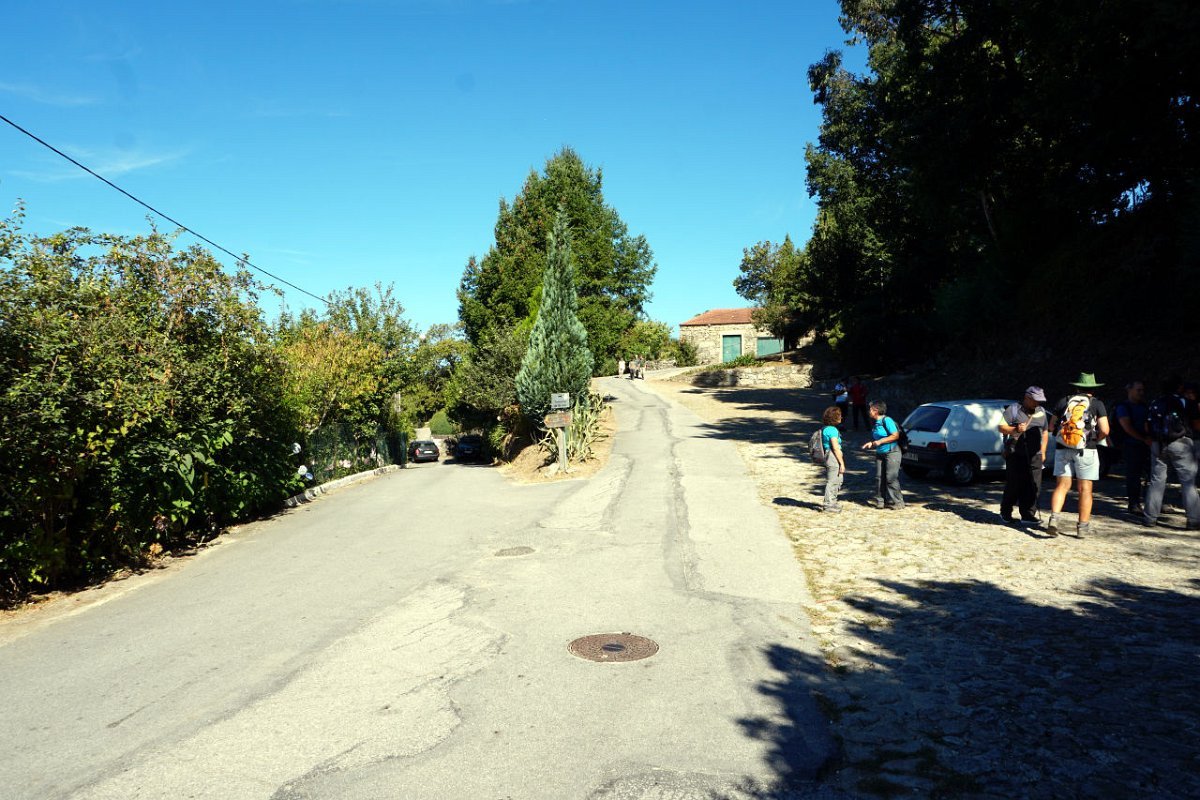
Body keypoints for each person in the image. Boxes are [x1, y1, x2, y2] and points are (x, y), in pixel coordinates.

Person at [1045, 373, 1110, 537]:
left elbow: (1051, 427)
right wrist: (1095, 439)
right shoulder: (1097, 404)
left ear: (1076, 388)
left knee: (1061, 486)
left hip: (1063, 448)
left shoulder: (1063, 401)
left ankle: (1054, 519)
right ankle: (1082, 528)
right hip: (1086, 450)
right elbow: (1105, 430)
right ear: (1093, 389)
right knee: (1085, 489)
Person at [1143, 376, 1200, 530]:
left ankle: (1150, 518)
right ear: (1179, 387)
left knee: (1156, 481)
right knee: (1188, 482)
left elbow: (1147, 425)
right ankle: (1194, 520)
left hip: (1157, 444)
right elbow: (1196, 424)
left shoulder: (1155, 402)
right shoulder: (1185, 402)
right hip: (1181, 444)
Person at [998, 386, 1050, 523]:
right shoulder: (1013, 410)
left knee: (1033, 486)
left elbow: (1045, 432)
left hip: (1036, 455)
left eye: (1039, 400)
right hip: (1015, 454)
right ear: (1027, 397)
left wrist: (1043, 451)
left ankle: (1028, 515)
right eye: (1035, 400)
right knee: (1014, 485)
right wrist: (1015, 429)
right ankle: (1006, 513)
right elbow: (1001, 427)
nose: (1037, 403)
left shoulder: (1041, 411)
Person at [1113, 381, 1151, 515]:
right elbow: (1127, 427)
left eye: (1142, 390)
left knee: (1151, 474)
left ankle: (1151, 502)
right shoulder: (1123, 407)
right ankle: (1134, 504)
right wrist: (1143, 438)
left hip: (1145, 444)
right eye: (1138, 390)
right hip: (1131, 445)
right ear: (1129, 390)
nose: (1141, 393)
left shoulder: (1144, 406)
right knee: (1134, 475)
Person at [861, 400, 904, 509]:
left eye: (870, 409)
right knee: (879, 478)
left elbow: (895, 435)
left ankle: (898, 502)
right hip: (880, 453)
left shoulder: (887, 420)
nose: (869, 411)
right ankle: (881, 501)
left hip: (892, 452)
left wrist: (879, 442)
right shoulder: (876, 423)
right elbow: (878, 438)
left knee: (890, 478)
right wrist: (872, 443)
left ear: (876, 410)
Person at [820, 406, 846, 512]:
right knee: (833, 480)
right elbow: (835, 448)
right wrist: (842, 463)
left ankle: (832, 502)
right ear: (834, 417)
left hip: (828, 455)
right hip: (832, 456)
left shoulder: (825, 428)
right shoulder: (832, 430)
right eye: (839, 415)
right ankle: (828, 504)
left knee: (838, 479)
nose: (841, 417)